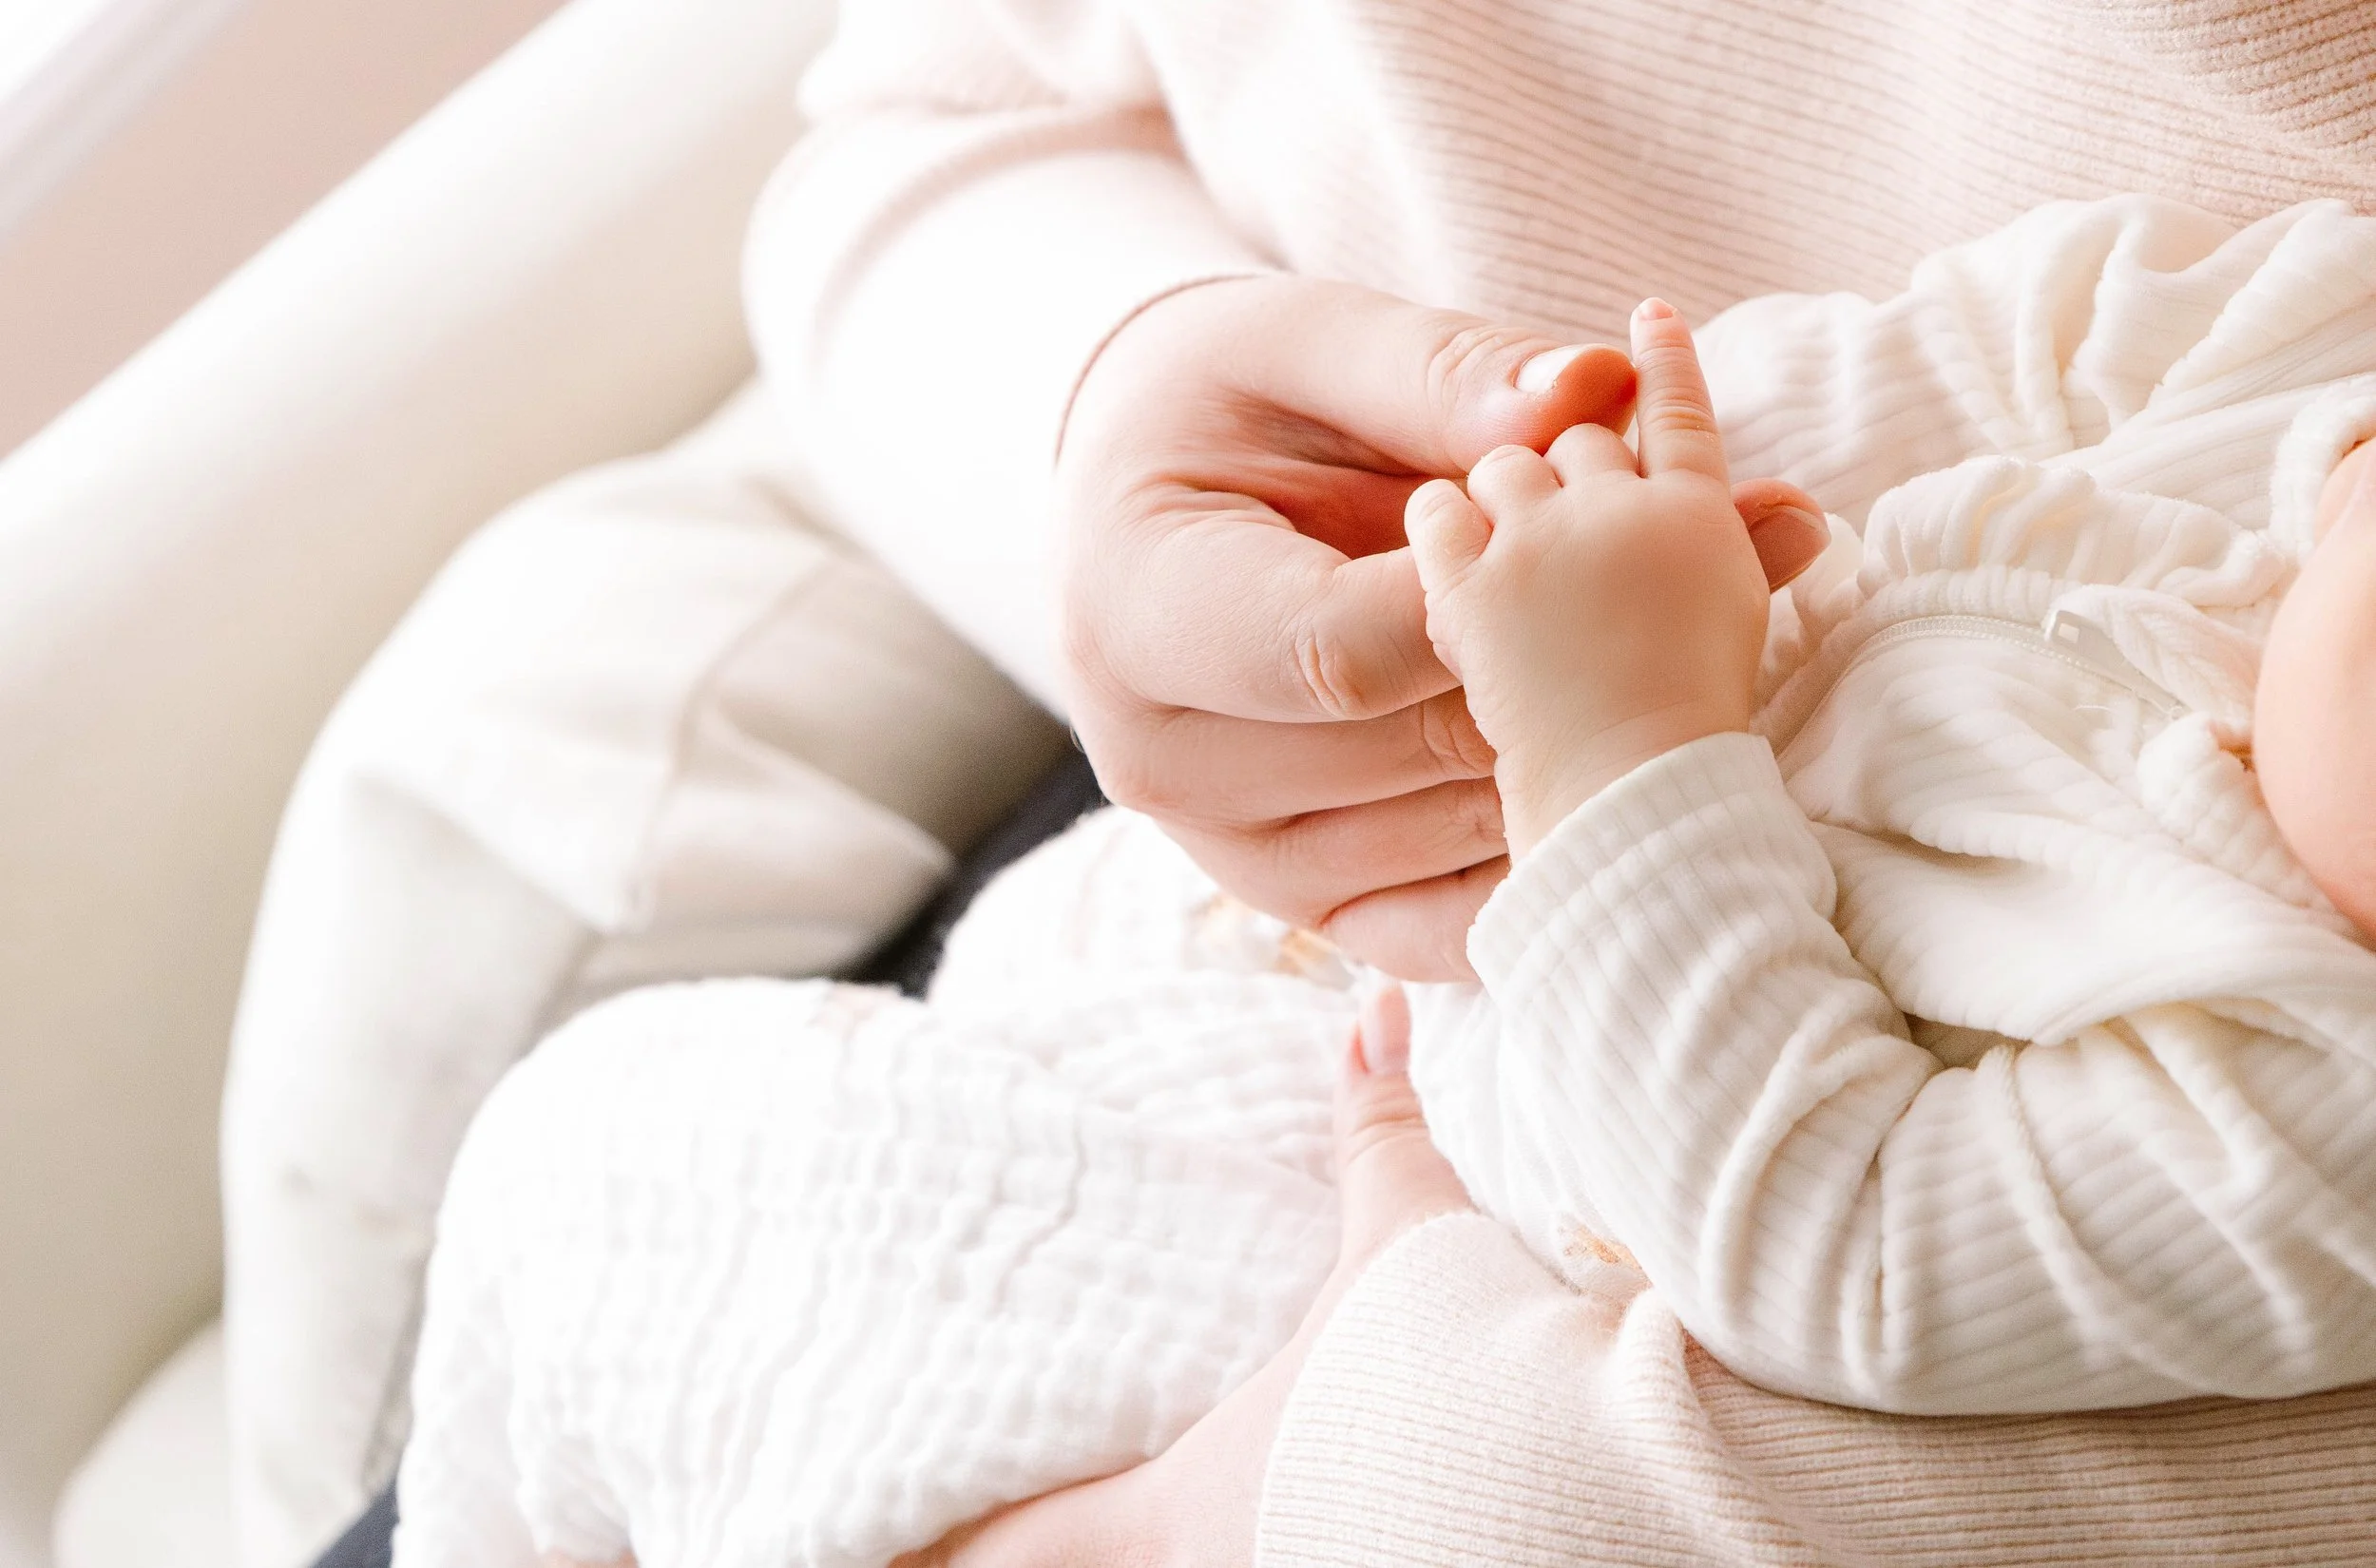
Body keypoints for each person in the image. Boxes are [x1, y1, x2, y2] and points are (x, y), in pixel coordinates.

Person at [246, 1, 2376, 1564]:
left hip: (1530, 1206)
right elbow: (948, 97)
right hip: (1309, 791)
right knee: (615, 1213)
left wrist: (1622, 750)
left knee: (686, 1247)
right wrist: (1535, 464)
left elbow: (1844, 1233)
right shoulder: (2322, 362)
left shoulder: (2306, 1116)